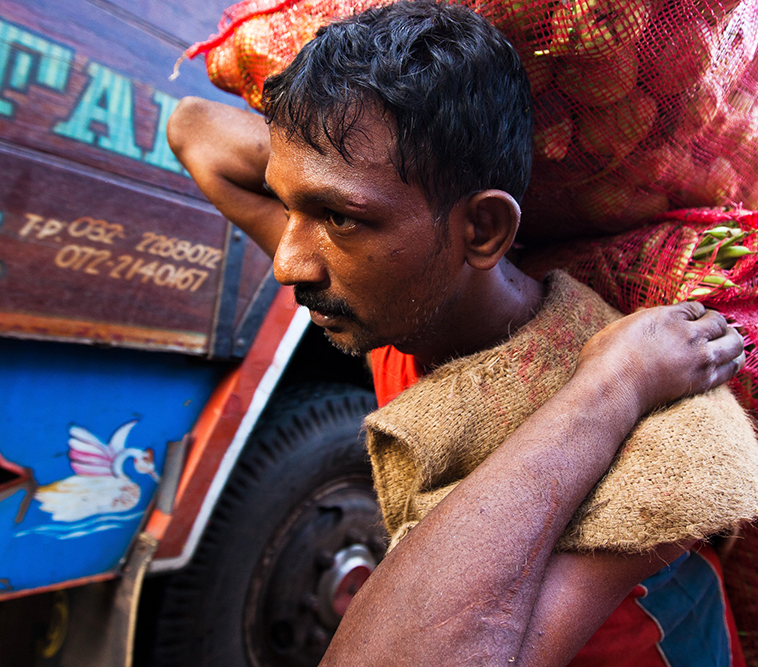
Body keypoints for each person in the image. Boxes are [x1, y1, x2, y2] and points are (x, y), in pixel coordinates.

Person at [167, 2, 757, 665]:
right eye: (289, 203)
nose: (288, 262)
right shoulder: (402, 302)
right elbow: (194, 128)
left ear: (480, 230)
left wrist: (613, 384)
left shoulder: (660, 415)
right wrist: (337, 151)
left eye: (337, 216)